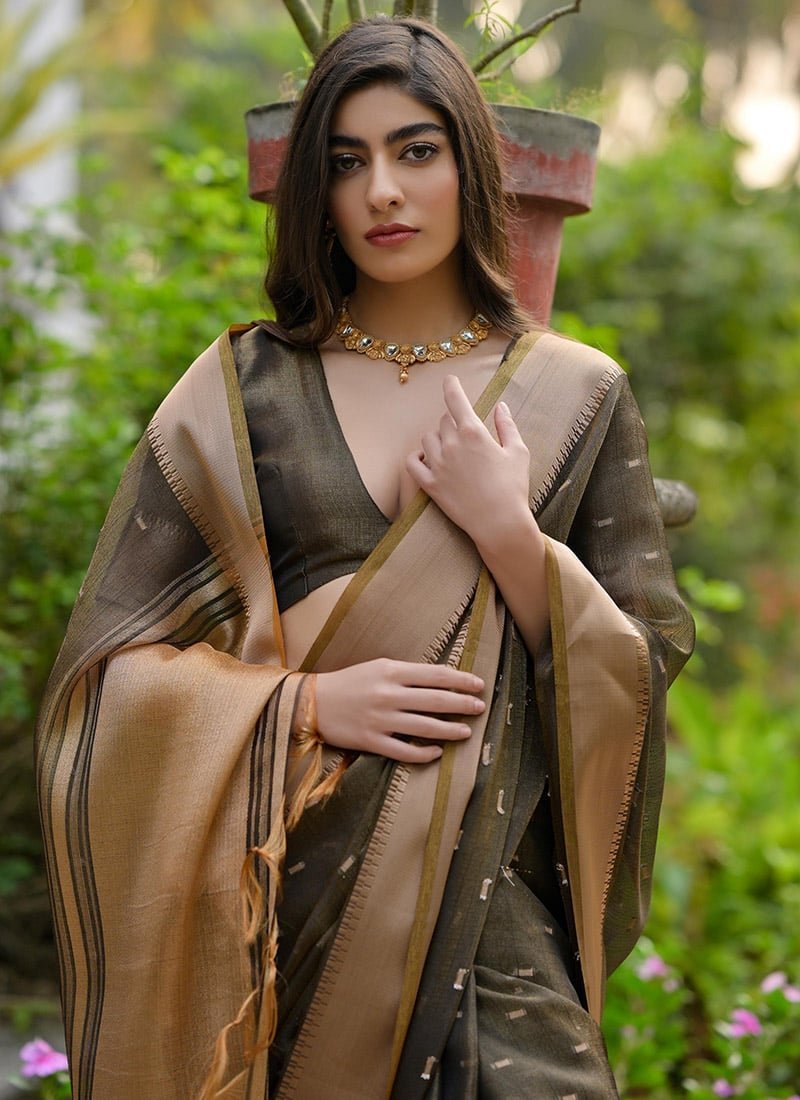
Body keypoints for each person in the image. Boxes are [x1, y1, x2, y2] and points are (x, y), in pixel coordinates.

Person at [35, 16, 694, 1100]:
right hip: (274, 914)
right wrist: (300, 706)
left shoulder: (576, 394)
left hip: (487, 917)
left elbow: (644, 656)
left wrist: (508, 534)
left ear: (469, 167)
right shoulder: (243, 391)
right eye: (347, 162)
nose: (382, 190)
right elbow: (103, 682)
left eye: (415, 150)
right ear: (315, 193)